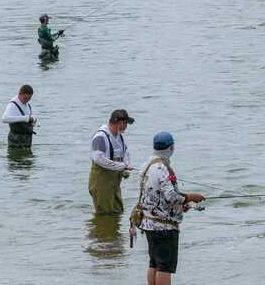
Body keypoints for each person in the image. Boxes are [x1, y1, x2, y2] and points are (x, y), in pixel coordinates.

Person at [135, 132, 205, 285]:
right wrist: (191, 197)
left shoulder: (147, 165)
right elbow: (172, 196)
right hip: (164, 227)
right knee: (165, 266)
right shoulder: (163, 168)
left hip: (148, 223)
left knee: (154, 262)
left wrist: (182, 206)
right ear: (171, 148)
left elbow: (155, 195)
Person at [88, 109, 135, 215]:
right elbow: (98, 159)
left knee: (118, 211)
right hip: (101, 183)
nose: (126, 127)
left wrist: (126, 166)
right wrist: (121, 166)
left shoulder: (119, 136)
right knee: (105, 215)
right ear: (120, 123)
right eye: (126, 123)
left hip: (114, 183)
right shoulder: (100, 137)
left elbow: (125, 152)